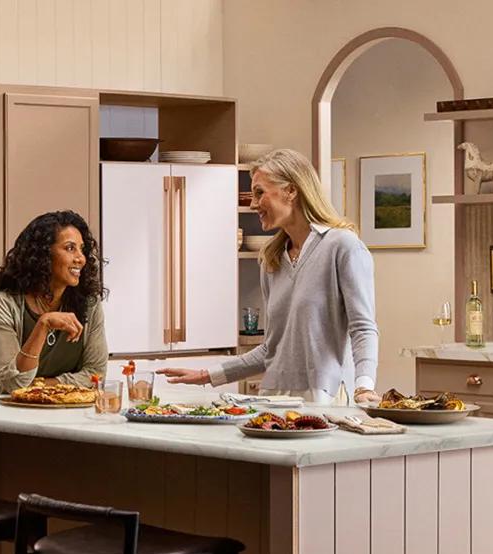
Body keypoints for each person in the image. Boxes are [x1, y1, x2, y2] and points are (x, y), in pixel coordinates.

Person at [156, 149, 379, 404]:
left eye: (259, 192)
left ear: (291, 191)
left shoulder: (342, 246)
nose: (253, 204)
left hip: (325, 398)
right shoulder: (272, 258)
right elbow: (270, 349)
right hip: (274, 400)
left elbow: (363, 328)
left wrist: (364, 386)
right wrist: (207, 375)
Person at [0, 210, 108, 398]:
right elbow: (14, 383)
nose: (81, 258)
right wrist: (43, 325)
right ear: (44, 254)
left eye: (82, 249)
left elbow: (96, 373)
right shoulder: (3, 303)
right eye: (70, 248)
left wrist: (41, 386)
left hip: (21, 403)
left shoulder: (89, 304)